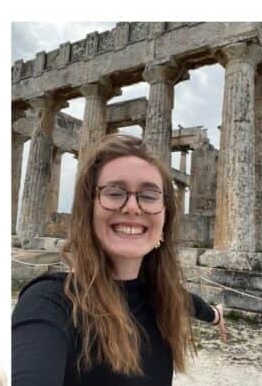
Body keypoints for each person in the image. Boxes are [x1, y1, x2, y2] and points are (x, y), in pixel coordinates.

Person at [12, 133, 227, 385]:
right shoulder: (50, 303)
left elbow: (190, 303)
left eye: (148, 195)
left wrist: (216, 315)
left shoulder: (163, 294)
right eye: (115, 192)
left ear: (165, 218)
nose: (132, 207)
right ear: (88, 209)